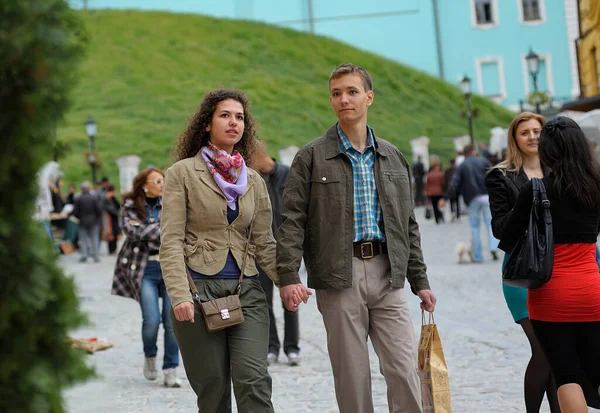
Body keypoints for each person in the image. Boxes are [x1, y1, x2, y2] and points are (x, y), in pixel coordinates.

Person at [277, 63, 436, 413]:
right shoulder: (311, 157)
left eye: (351, 91)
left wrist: (419, 280)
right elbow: (291, 221)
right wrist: (288, 276)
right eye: (336, 93)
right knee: (351, 375)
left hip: (387, 271)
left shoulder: (393, 156)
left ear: (369, 97)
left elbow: (407, 223)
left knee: (404, 368)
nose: (343, 99)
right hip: (338, 274)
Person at [160, 89, 293, 412]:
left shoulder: (254, 181)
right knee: (213, 387)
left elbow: (264, 242)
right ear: (206, 124)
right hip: (197, 292)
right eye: (225, 115)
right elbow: (171, 240)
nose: (233, 122)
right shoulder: (182, 174)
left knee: (253, 379)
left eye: (239, 117)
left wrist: (287, 281)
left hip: (246, 289)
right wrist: (179, 295)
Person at [501, 116, 600, 413]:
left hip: (549, 295)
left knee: (566, 373)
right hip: (591, 290)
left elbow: (507, 237)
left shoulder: (536, 190)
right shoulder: (596, 186)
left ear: (548, 151)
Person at [485, 112, 561, 413]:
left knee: (558, 353)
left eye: (537, 131)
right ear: (515, 139)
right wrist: (530, 199)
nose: (532, 137)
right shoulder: (501, 176)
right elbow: (500, 228)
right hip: (522, 272)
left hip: (559, 270)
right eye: (525, 132)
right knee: (542, 350)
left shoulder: (557, 172)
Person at [111, 168, 181, 388]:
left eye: (163, 180)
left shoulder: (172, 202)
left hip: (171, 269)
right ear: (144, 185)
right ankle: (150, 356)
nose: (162, 184)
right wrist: (162, 229)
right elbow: (132, 233)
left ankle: (171, 369)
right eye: (157, 181)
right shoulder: (130, 206)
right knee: (151, 320)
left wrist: (147, 229)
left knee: (173, 323)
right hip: (145, 270)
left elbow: (179, 229)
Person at [251, 140, 301, 367]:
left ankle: (292, 347)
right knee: (264, 302)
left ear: (261, 155)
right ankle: (271, 347)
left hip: (286, 249)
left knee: (290, 299)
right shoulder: (251, 179)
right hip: (260, 250)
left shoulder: (288, 174)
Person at [444, 144, 499, 262]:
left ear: (464, 154)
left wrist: (447, 197)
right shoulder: (484, 161)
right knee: (490, 224)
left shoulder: (462, 165)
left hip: (472, 197)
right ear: (474, 151)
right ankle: (494, 247)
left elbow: (455, 182)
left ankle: (478, 256)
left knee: (475, 227)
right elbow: (495, 176)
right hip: (486, 195)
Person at [73, 181, 101, 263]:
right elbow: (99, 210)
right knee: (95, 239)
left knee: (83, 239)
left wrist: (80, 217)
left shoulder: (78, 198)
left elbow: (75, 212)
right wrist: (96, 217)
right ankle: (96, 256)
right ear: (89, 189)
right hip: (93, 221)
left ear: (81, 189)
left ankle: (84, 256)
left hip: (82, 221)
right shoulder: (93, 198)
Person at [102, 184, 121, 255]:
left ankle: (114, 249)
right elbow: (109, 209)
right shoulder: (105, 199)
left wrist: (114, 197)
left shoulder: (113, 198)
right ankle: (111, 250)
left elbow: (118, 206)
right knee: (110, 234)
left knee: (115, 234)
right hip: (109, 220)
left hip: (115, 220)